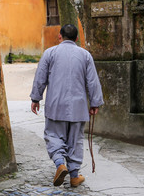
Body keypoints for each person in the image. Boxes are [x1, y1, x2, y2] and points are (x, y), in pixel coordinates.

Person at [30, 24, 104, 187]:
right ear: (76, 38)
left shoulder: (50, 53)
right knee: (75, 140)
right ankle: (74, 176)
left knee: (54, 136)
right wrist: (95, 102)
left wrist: (36, 98)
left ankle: (59, 164)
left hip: (56, 105)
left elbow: (40, 77)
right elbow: (92, 81)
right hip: (78, 106)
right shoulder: (85, 55)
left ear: (59, 36)